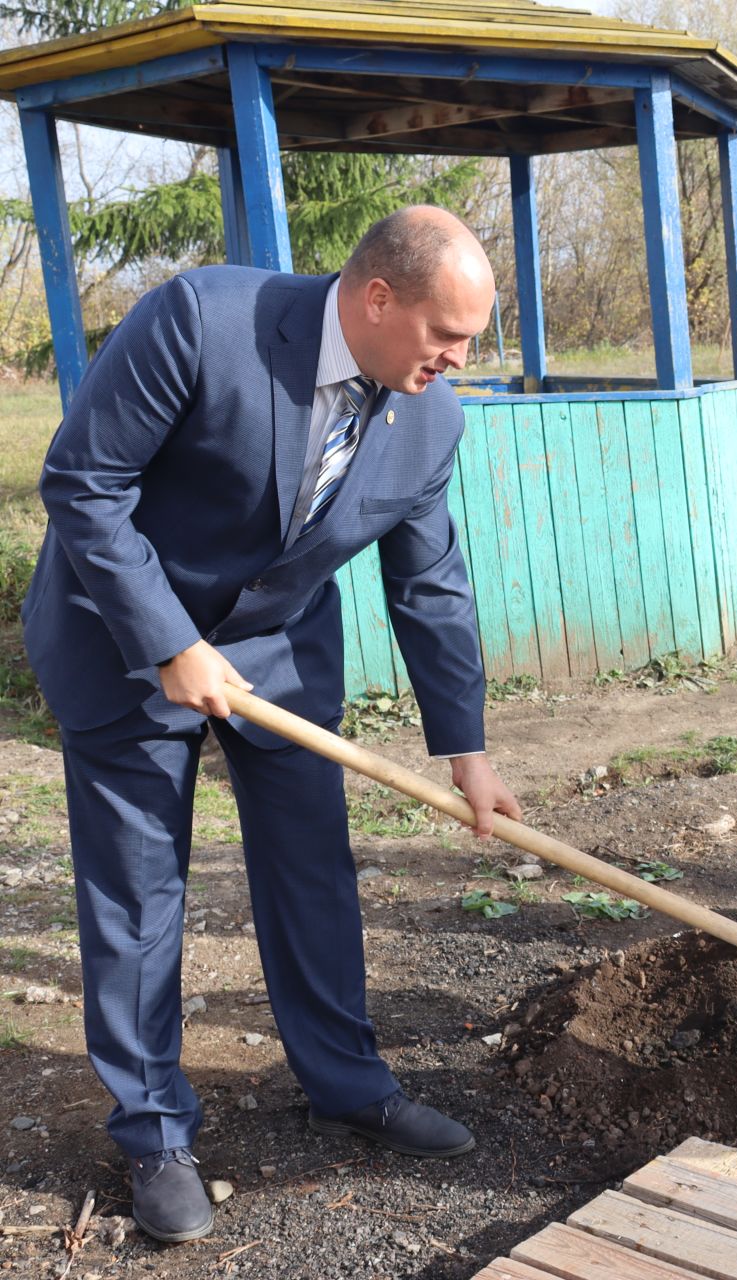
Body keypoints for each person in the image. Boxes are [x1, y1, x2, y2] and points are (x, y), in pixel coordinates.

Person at [23, 205, 523, 1243]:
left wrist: (465, 749)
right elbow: (83, 481)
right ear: (378, 296)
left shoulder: (431, 415)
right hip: (123, 632)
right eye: (448, 333)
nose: (458, 359)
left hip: (278, 652)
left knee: (312, 865)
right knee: (140, 886)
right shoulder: (204, 321)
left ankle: (348, 1081)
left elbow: (429, 581)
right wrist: (167, 638)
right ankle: (155, 1129)